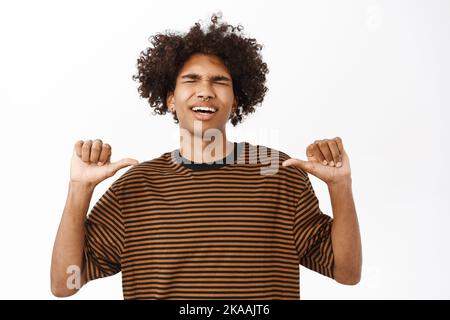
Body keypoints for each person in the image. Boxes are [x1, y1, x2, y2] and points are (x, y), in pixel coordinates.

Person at [50, 12, 362, 299]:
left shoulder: (277, 173)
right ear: (170, 99)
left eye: (219, 81)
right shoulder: (134, 189)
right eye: (191, 80)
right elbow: (64, 283)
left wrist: (340, 187)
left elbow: (347, 273)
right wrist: (80, 189)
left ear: (236, 100)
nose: (205, 91)